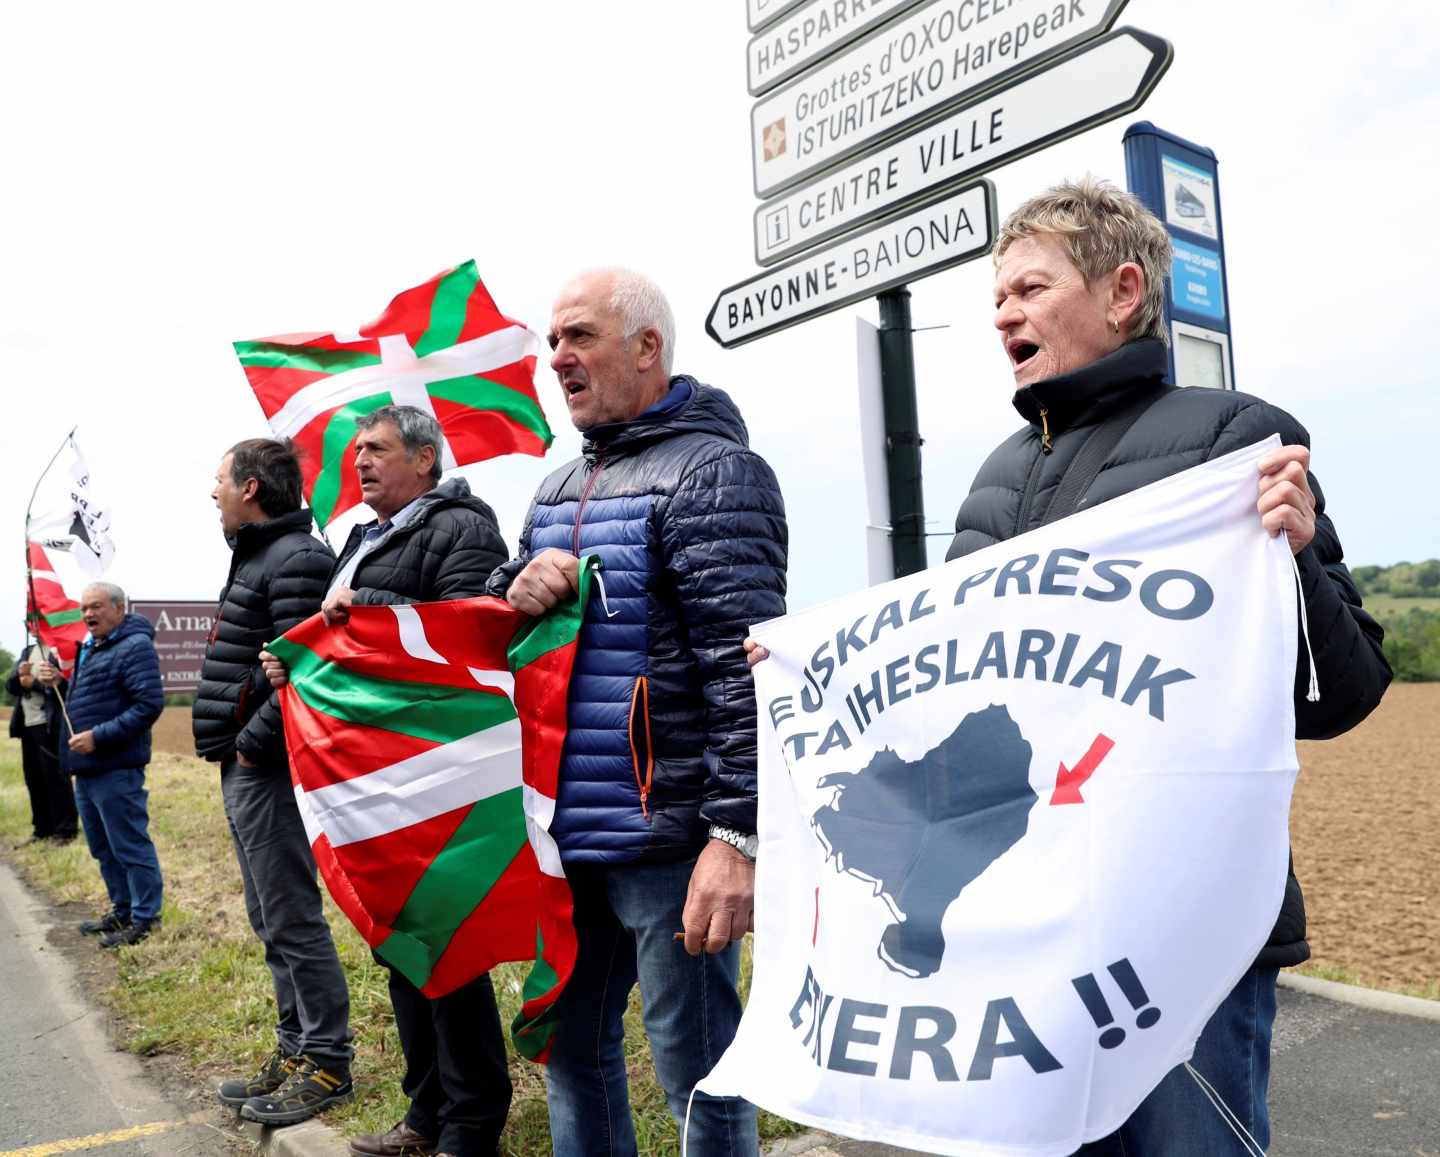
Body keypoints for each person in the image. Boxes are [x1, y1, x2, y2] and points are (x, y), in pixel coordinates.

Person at [750, 178, 1389, 1154]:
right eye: (997, 295)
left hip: (1186, 940)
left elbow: (1345, 695)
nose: (1002, 310)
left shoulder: (1234, 440)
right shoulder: (997, 477)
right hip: (1026, 933)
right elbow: (938, 686)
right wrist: (815, 673)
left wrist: (1296, 555)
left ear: (1124, 291)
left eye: (1029, 286)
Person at [487, 268, 787, 1156]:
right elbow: (509, 626)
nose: (557, 359)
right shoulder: (551, 490)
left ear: (648, 346)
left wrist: (734, 838)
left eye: (578, 337)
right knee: (572, 1052)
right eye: (552, 342)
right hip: (567, 836)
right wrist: (516, 587)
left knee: (698, 1074)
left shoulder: (716, 473)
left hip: (670, 845)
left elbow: (744, 674)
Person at [259, 405, 511, 1156]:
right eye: (356, 451)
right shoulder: (360, 538)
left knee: (448, 949)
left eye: (376, 449)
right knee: (402, 947)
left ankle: (473, 1124)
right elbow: (336, 641)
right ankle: (424, 1116)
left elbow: (470, 631)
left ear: (426, 459)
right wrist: (293, 661)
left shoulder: (463, 527)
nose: (358, 462)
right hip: (374, 780)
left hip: (436, 776)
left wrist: (366, 608)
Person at [193, 438, 354, 1125]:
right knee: (268, 915)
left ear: (251, 487)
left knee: (290, 912)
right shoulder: (260, 555)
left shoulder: (297, 558)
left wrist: (254, 748)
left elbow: (306, 672)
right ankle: (293, 1049)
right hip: (243, 763)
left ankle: (326, 1059)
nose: (213, 494)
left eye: (220, 481)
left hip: (269, 766)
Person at [36, 583, 166, 948]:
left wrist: (99, 737)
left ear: (119, 608)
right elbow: (90, 697)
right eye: (84, 609)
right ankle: (122, 909)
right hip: (88, 769)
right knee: (102, 847)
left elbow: (148, 705)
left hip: (116, 766)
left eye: (96, 607)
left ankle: (145, 919)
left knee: (129, 845)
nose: (88, 615)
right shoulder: (92, 648)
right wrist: (56, 683)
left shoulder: (134, 646)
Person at [6, 641, 79, 845]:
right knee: (34, 778)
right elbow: (12, 687)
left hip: (50, 724)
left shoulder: (62, 651)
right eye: (30, 621)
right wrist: (19, 676)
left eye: (37, 619)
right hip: (27, 725)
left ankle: (65, 831)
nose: (33, 625)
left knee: (55, 778)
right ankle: (42, 830)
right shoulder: (27, 651)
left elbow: (69, 687)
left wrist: (34, 683)